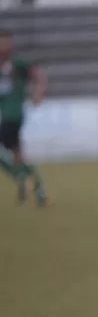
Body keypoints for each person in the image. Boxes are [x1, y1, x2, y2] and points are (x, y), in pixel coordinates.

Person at [0, 30, 48, 207]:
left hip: (12, 116)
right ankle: (38, 188)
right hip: (3, 115)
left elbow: (38, 75)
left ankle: (20, 176)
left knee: (11, 156)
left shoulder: (17, 64)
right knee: (18, 155)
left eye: (6, 42)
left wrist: (39, 92)